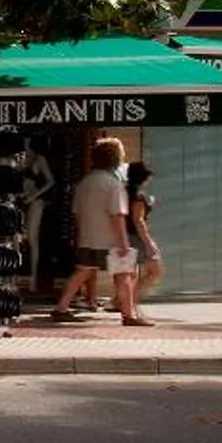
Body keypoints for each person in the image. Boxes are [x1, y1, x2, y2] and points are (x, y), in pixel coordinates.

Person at [51, 137, 134, 323]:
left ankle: (61, 307)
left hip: (87, 238)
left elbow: (76, 213)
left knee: (82, 273)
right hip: (110, 240)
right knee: (123, 275)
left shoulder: (84, 183)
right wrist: (123, 242)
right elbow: (117, 215)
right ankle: (129, 315)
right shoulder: (113, 184)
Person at [125, 159, 164, 304]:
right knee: (155, 271)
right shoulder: (138, 196)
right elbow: (138, 220)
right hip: (136, 238)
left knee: (130, 273)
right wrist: (149, 242)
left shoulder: (123, 192)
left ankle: (123, 301)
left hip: (124, 236)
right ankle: (124, 301)